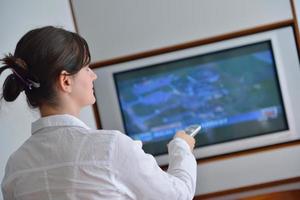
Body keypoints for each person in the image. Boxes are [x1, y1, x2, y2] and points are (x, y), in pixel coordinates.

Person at [0, 26, 197, 200]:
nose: (93, 75)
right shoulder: (111, 147)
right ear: (65, 81)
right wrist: (181, 147)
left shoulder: (15, 166)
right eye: (86, 67)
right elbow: (178, 195)